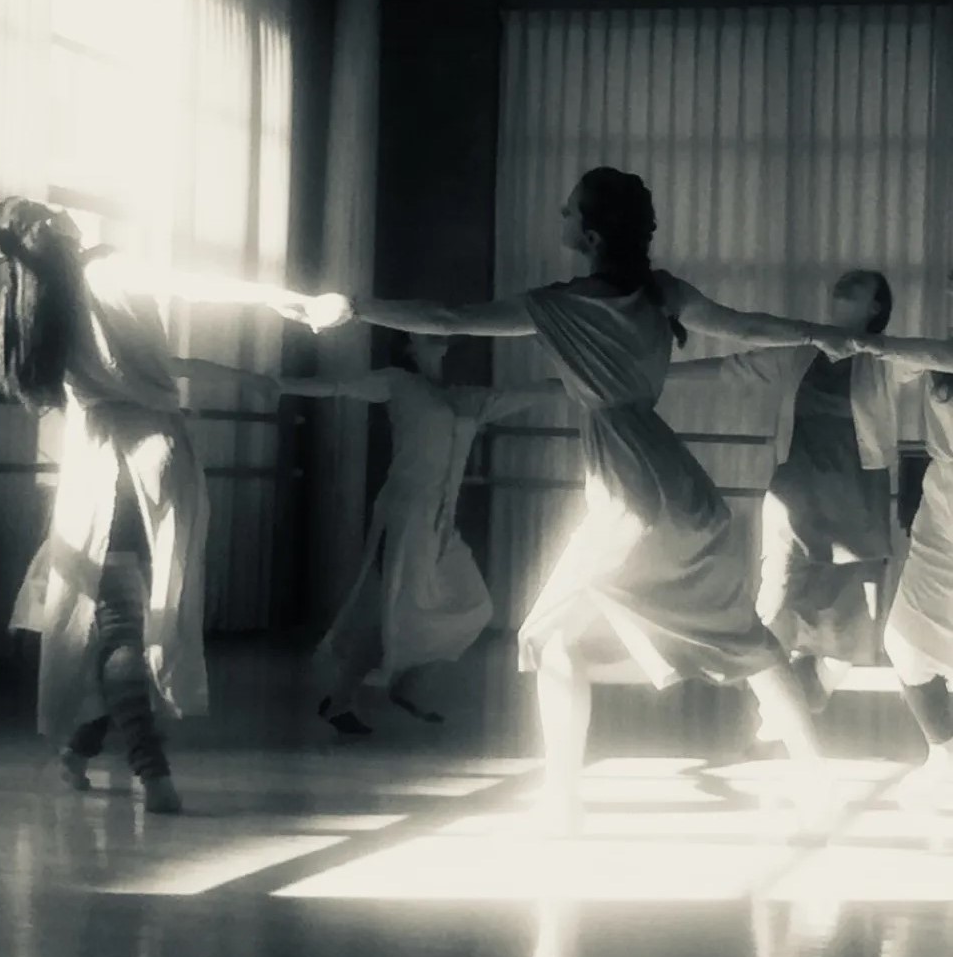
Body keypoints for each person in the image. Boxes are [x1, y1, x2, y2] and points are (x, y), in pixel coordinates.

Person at [287, 167, 840, 834]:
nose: (560, 214)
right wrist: (821, 332)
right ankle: (813, 775)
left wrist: (353, 305)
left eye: (568, 208)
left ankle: (561, 797)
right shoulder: (659, 291)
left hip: (631, 488)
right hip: (676, 481)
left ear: (592, 231)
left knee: (552, 639)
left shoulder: (561, 303)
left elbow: (447, 319)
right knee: (738, 637)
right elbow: (744, 326)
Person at [0, 198, 279, 813]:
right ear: (45, 232)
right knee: (133, 628)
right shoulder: (100, 270)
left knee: (131, 626)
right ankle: (154, 773)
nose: (65, 215)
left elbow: (155, 360)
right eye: (50, 213)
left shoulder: (34, 305)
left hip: (96, 476)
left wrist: (244, 378)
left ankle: (80, 747)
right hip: (142, 467)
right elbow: (190, 289)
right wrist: (289, 303)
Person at [271, 331, 565, 734]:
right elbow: (338, 387)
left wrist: (591, 377)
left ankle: (378, 689)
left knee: (472, 605)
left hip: (441, 520)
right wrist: (277, 384)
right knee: (395, 610)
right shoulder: (398, 382)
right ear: (408, 345)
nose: (436, 336)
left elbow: (536, 392)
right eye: (423, 332)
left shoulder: (465, 397)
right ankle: (367, 694)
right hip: (406, 513)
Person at [669, 270, 920, 730]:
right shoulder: (800, 353)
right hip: (794, 499)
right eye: (843, 280)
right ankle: (778, 716)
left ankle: (804, 707)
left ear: (876, 308)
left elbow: (931, 358)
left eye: (861, 283)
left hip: (857, 506)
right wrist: (653, 376)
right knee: (771, 610)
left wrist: (876, 347)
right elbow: (733, 368)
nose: (846, 282)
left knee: (855, 628)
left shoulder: (889, 361)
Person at [823, 326, 953, 794]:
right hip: (943, 509)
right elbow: (891, 373)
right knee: (907, 643)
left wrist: (873, 343)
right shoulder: (935, 354)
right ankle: (944, 755)